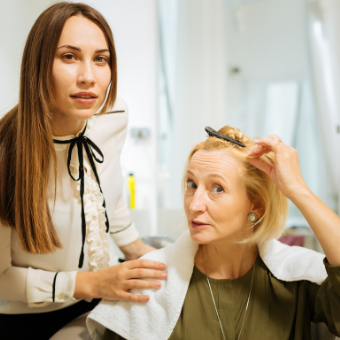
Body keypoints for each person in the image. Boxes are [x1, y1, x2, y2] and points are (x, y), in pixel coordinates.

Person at [0, 3, 166, 340]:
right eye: (69, 56)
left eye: (101, 59)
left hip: (94, 304)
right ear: (39, 65)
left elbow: (109, 191)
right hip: (20, 319)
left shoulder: (113, 118)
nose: (88, 76)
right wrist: (89, 282)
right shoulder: (6, 155)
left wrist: (134, 248)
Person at [88, 125, 340, 340]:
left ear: (256, 205)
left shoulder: (297, 280)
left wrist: (298, 190)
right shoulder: (150, 282)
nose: (194, 205)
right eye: (192, 184)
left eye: (216, 188)